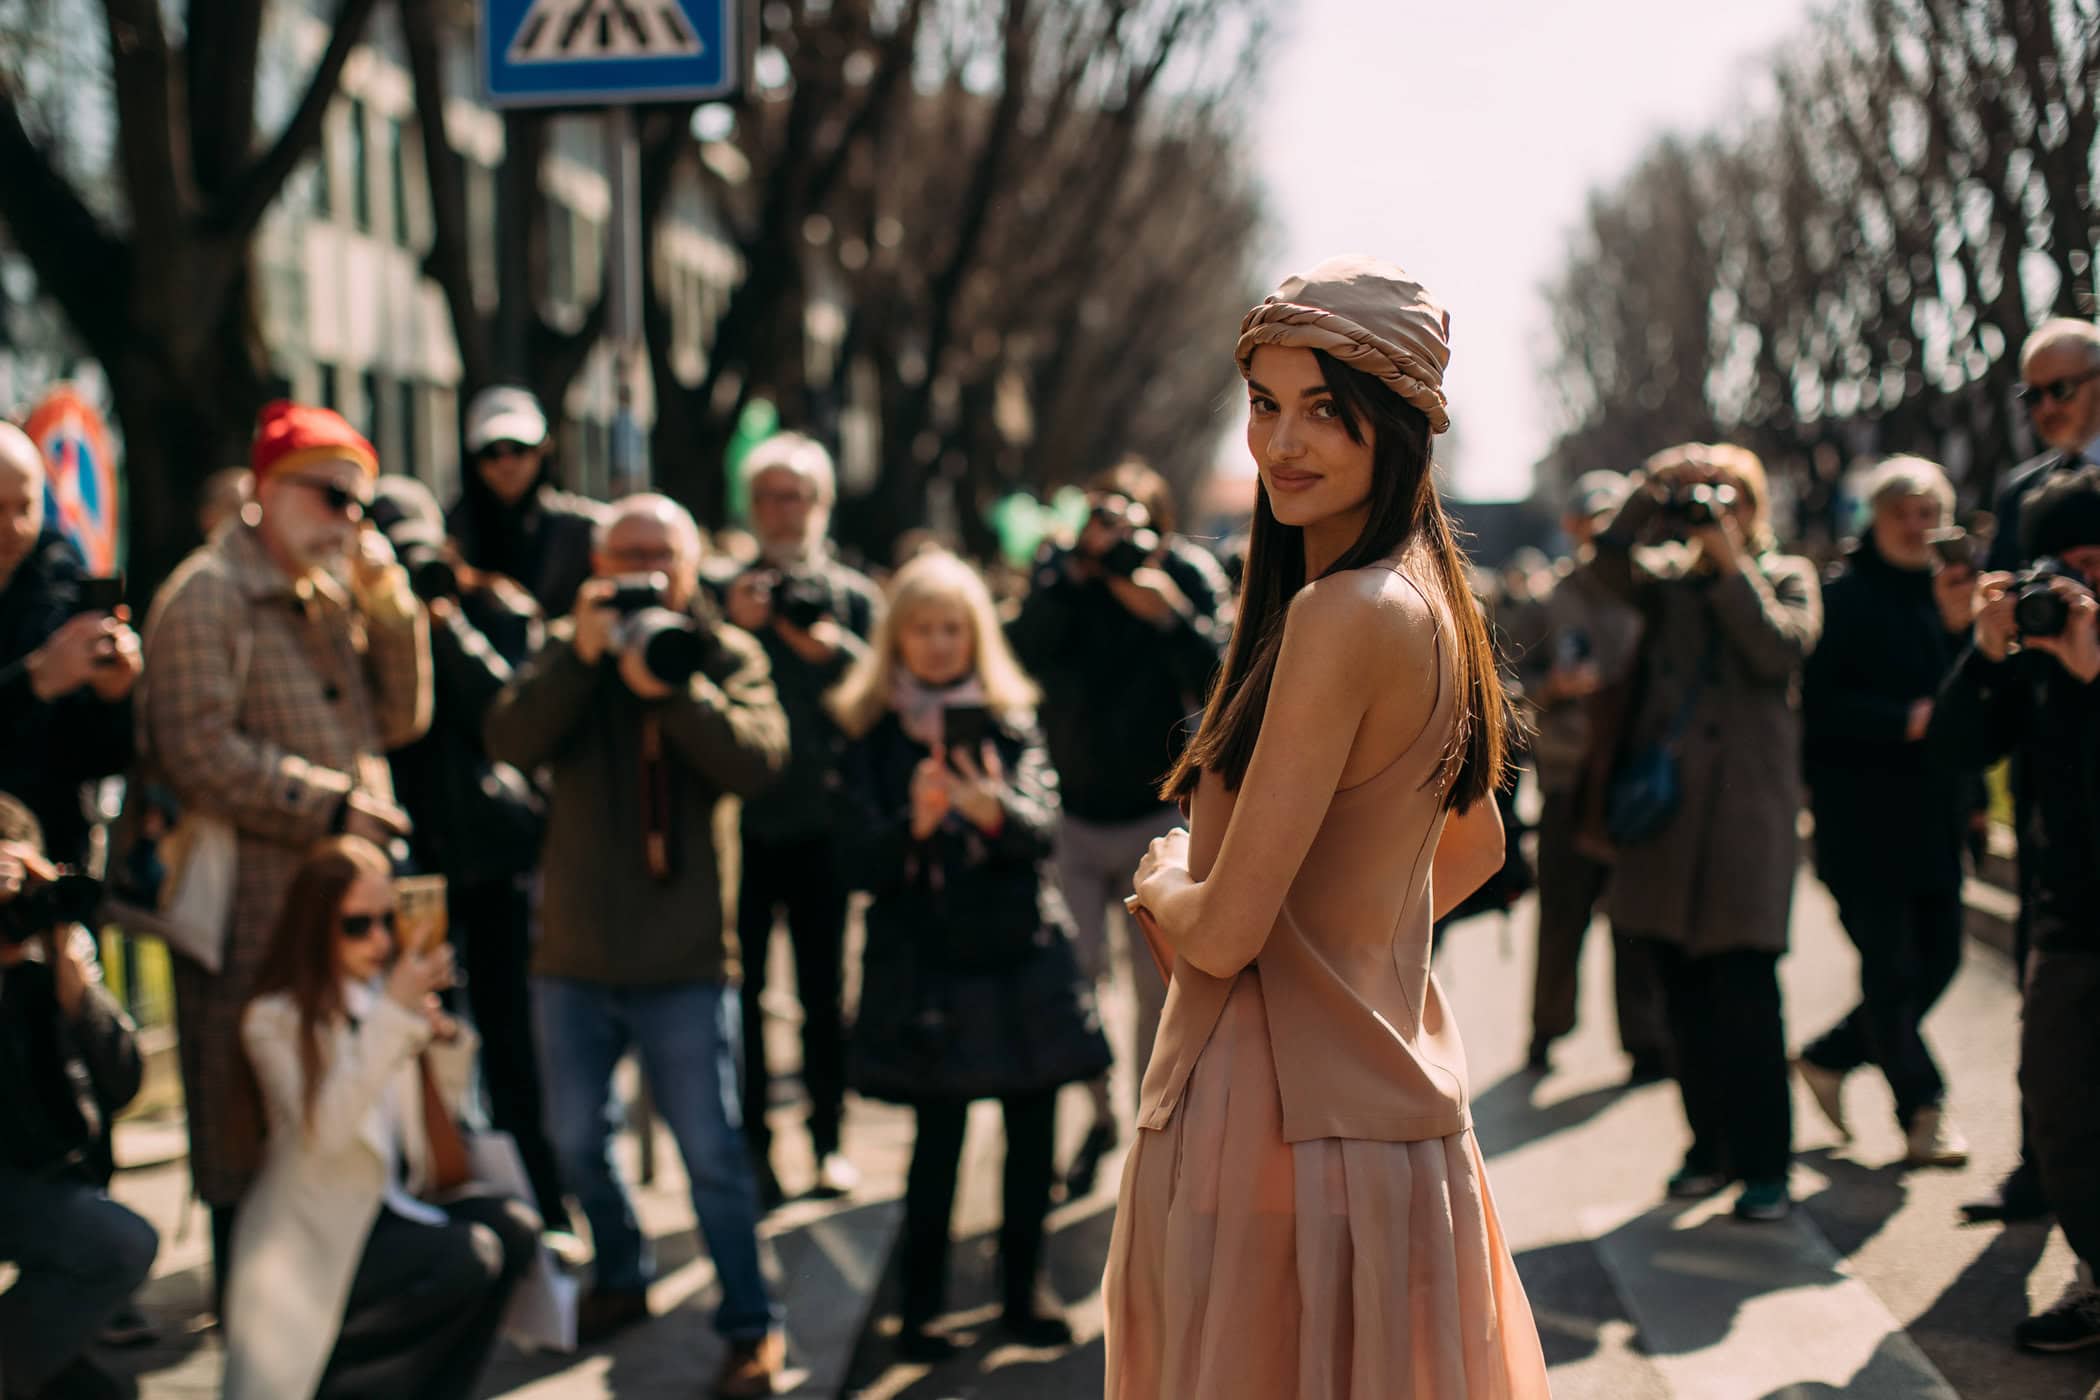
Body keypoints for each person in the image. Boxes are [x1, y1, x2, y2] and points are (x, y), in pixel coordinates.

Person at [1103, 256, 1547, 1396]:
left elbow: (1220, 933)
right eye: (1264, 404)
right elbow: (1478, 844)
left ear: (1395, 426)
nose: (1283, 444)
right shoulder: (1431, 593)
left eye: (1325, 412)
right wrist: (1340, 952)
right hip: (1394, 1106)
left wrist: (1164, 877)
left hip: (1272, 1115)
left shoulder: (1338, 609)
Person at [483, 494, 790, 1396]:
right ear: (595, 564)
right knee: (576, 1141)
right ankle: (621, 1270)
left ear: (692, 568)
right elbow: (508, 739)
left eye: (662, 557)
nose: (643, 573)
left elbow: (760, 761)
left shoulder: (722, 651)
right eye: (624, 556)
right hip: (573, 954)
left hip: (688, 958)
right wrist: (582, 660)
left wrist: (677, 690)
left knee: (713, 1156)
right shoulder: (565, 644)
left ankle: (750, 1324)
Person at [140, 400, 431, 1304]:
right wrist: (333, 803)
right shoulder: (206, 594)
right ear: (266, 490)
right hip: (249, 912)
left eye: (361, 504)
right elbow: (194, 749)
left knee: (339, 1122)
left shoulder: (331, 591)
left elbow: (400, 718)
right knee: (250, 1134)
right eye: (331, 496)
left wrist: (391, 610)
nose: (350, 521)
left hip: (338, 913)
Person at [828, 551, 1111, 1361]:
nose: (940, 643)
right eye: (923, 628)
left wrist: (991, 809)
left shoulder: (1011, 720)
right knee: (937, 1146)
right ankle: (918, 1307)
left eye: (954, 627)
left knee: (1031, 1137)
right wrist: (909, 827)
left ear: (976, 634)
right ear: (896, 638)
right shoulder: (870, 734)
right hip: (925, 964)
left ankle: (1023, 1292)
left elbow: (1042, 831)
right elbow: (853, 862)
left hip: (1017, 957)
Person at [1586, 442, 1822, 1222]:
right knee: (1682, 996)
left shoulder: (1786, 576)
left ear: (1758, 510)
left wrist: (1730, 562)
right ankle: (1706, 1146)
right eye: (1708, 500)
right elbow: (1607, 567)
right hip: (1671, 821)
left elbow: (1780, 646)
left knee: (1747, 996)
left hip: (1747, 821)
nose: (1719, 514)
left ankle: (1764, 1165)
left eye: (1735, 500)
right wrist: (1649, 489)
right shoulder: (1668, 585)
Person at [222, 835, 538, 1399]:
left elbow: (432, 1128)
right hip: (320, 1235)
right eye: (356, 924)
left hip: (395, 1204)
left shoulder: (381, 999)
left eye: (386, 920)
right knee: (467, 1257)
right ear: (315, 925)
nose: (379, 939)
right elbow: (328, 1134)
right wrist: (394, 1015)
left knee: (516, 1229)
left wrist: (439, 1040)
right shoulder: (272, 1018)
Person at [1007, 457, 1229, 1197]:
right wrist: (1075, 571)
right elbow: (1022, 652)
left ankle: (1150, 1127)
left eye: (1134, 516)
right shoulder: (1064, 577)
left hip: (1158, 816)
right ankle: (1098, 1113)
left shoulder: (1182, 575)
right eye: (1107, 517)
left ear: (1159, 522)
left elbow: (1224, 677)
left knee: (1157, 991)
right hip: (1073, 815)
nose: (1119, 533)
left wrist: (1165, 612)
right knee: (1074, 979)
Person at [369, 475, 571, 1240]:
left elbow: (506, 715)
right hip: (415, 873)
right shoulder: (363, 623)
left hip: (494, 863)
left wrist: (443, 623)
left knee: (516, 1042)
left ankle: (546, 1204)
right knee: (434, 1037)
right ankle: (453, 1196)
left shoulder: (498, 609)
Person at [1927, 465, 2100, 1351]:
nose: (2078, 587)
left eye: (2093, 562)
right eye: (2060, 567)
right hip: (2069, 909)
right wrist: (1989, 650)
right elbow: (1956, 746)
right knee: (2057, 1099)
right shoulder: (2034, 651)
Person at [1795, 458, 1977, 1168]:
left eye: (1930, 511)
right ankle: (1924, 1111)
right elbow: (1818, 708)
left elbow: (1977, 697)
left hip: (1938, 818)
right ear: (1875, 518)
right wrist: (1903, 719)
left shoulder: (1952, 596)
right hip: (1861, 823)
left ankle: (1828, 1056)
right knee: (1893, 971)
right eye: (1903, 510)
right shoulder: (1843, 597)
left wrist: (1964, 631)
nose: (1917, 524)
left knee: (1942, 961)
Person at [720, 433, 882, 1207]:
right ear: (750, 509)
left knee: (824, 994)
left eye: (798, 496)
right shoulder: (724, 591)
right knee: (741, 996)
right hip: (739, 829)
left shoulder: (851, 596)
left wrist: (831, 650)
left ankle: (826, 1141)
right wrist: (732, 623)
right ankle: (754, 1149)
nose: (784, 512)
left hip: (825, 826)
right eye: (770, 498)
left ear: (821, 505)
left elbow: (884, 695)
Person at [1969, 317, 2100, 1224]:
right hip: (2051, 760)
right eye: (2034, 394)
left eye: (2064, 387)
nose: (2048, 408)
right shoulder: (2021, 490)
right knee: (2045, 988)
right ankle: (2042, 1169)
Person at [0, 795, 158, 1400]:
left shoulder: (53, 962)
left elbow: (123, 1084)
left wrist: (70, 977)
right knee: (114, 1242)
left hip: (50, 1185)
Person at [1518, 469, 1664, 1076]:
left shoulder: (1655, 590)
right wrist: (1552, 686)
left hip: (1636, 780)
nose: (1604, 529)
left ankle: (1648, 1043)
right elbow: (1509, 686)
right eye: (1592, 518)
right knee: (1561, 918)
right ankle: (1546, 1032)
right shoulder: (1548, 597)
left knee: (1636, 922)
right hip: (1570, 779)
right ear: (1572, 526)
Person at [0, 421, 142, 870]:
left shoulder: (61, 580)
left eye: (25, 506)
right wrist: (34, 681)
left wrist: (113, 697)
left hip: (52, 857)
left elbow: (97, 760)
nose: (13, 526)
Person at [446, 386, 605, 618]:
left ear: (542, 449)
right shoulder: (449, 529)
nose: (507, 464)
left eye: (519, 449)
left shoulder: (585, 527)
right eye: (492, 452)